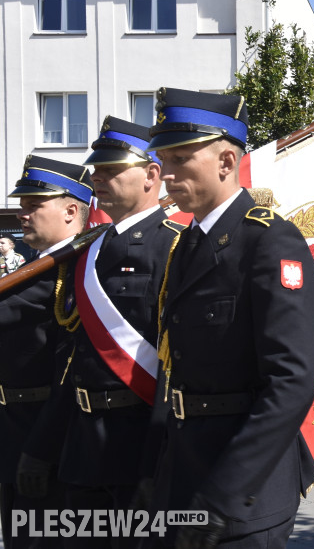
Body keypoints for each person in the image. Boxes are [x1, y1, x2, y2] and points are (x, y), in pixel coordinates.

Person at [145, 87, 314, 547]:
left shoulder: (269, 242)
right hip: (182, 473)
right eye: (164, 158)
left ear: (226, 162)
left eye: (180, 157)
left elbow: (292, 380)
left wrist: (224, 494)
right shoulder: (188, 242)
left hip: (241, 493)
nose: (165, 172)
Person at [42, 117, 183, 546]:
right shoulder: (89, 249)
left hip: (140, 438)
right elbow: (74, 355)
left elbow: (174, 362)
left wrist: (154, 462)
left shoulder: (176, 245)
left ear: (151, 175)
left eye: (111, 170)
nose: (96, 177)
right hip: (84, 445)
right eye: (96, 169)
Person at [0, 156, 93, 548]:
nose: (22, 214)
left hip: (45, 433)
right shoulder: (39, 266)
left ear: (71, 210)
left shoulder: (74, 269)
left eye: (33, 205)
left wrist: (41, 446)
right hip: (13, 429)